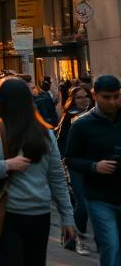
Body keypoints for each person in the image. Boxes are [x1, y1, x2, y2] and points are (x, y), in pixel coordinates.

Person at [0, 76, 75, 266]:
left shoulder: (44, 132)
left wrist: (67, 217)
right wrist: (7, 165)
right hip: (3, 215)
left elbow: (56, 177)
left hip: (38, 215)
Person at [65, 73, 121, 266]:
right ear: (95, 95)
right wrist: (94, 166)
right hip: (100, 198)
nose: (113, 102)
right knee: (110, 245)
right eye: (107, 97)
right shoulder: (81, 124)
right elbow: (70, 159)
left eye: (116, 96)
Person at [56, 85, 93, 255]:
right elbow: (61, 142)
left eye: (86, 96)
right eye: (79, 97)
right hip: (74, 166)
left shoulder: (95, 116)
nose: (84, 99)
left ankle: (71, 236)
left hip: (94, 166)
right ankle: (79, 238)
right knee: (81, 205)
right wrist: (63, 160)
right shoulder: (69, 118)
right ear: (72, 100)